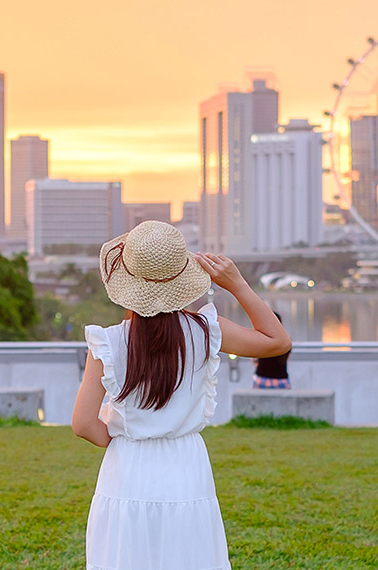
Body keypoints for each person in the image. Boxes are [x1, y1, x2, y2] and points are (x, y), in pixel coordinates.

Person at [72, 220, 291, 570]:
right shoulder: (206, 331)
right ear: (183, 277)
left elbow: (83, 424)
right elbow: (277, 342)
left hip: (128, 467)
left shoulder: (108, 342)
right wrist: (237, 285)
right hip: (186, 464)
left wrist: (119, 438)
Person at [253, 312, 291, 389]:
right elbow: (286, 359)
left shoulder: (260, 340)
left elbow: (254, 360)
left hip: (262, 379)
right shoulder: (286, 341)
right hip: (281, 380)